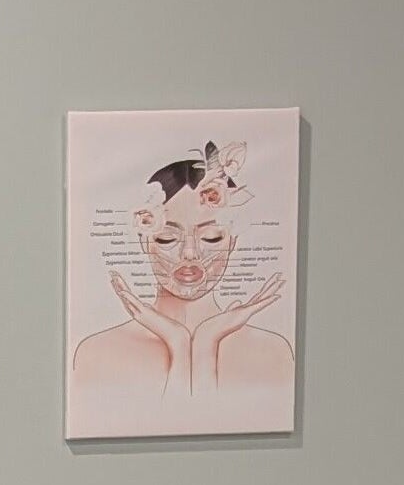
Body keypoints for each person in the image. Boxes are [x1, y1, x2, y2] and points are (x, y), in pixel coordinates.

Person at [70, 145, 291, 415]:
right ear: (145, 241)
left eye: (211, 237)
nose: (189, 254)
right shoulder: (96, 355)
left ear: (232, 242)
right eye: (167, 238)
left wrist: (205, 341)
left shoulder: (273, 354)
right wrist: (179, 343)